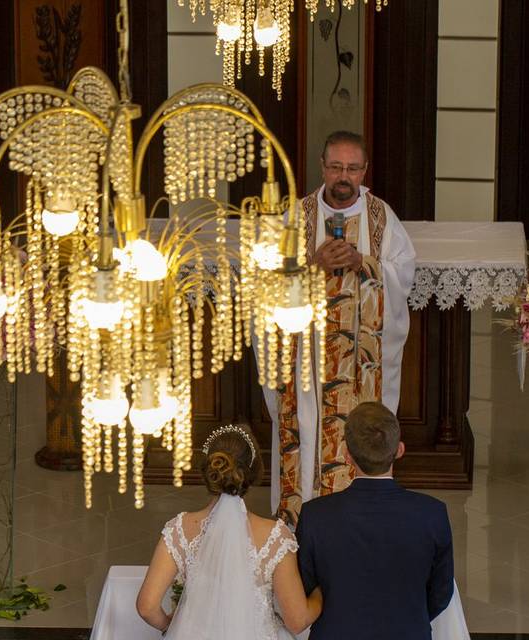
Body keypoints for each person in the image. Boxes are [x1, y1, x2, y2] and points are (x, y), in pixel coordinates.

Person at [265, 130, 417, 524]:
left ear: (364, 170)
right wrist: (311, 265)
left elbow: (403, 274)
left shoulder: (382, 218)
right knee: (308, 438)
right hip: (306, 376)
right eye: (336, 167)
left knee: (361, 436)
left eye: (352, 168)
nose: (343, 176)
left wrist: (362, 262)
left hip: (361, 373)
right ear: (322, 167)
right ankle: (301, 534)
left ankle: (359, 529)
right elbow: (264, 285)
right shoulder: (295, 218)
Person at [137, 424, 323, 639]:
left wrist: (171, 625)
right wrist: (320, 594)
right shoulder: (275, 536)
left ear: (209, 471)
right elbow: (297, 621)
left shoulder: (179, 529)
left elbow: (146, 607)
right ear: (252, 473)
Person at [295, 402, 454, 640]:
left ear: (347, 455)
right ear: (399, 450)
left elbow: (305, 586)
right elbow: (441, 593)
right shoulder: (433, 514)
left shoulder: (314, 516)